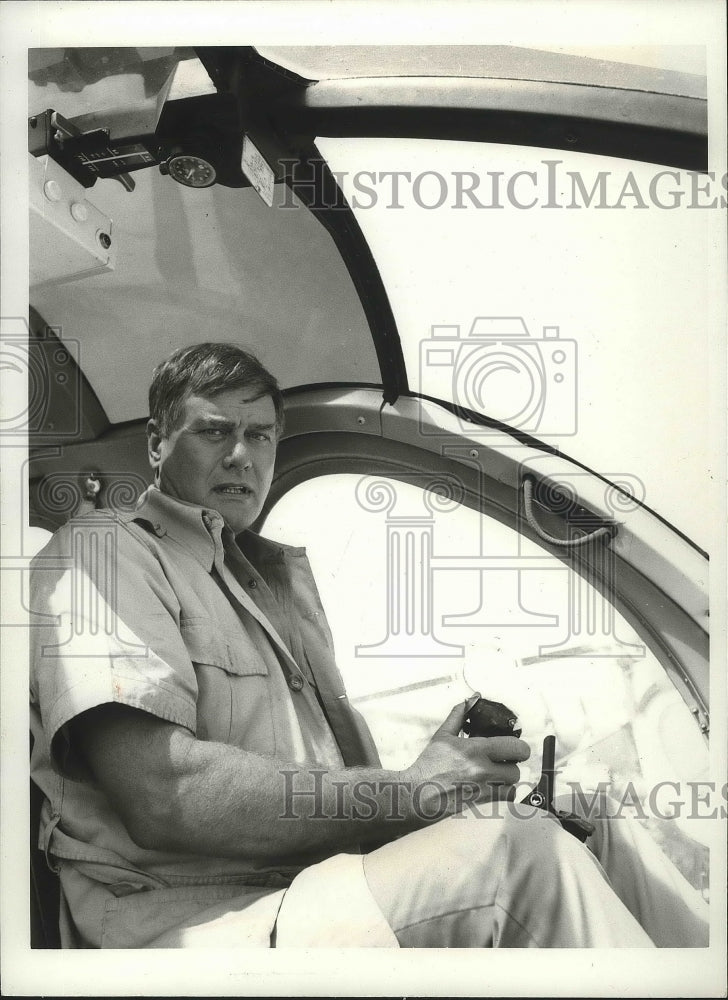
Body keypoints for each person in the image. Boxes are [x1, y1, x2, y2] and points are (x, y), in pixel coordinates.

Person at [29, 343, 709, 949]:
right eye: (215, 432)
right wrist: (412, 791)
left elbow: (326, 803)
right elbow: (163, 796)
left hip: (309, 886)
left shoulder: (261, 585)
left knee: (587, 822)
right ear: (155, 443)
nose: (243, 454)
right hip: (192, 924)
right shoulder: (105, 554)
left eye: (261, 436)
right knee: (519, 854)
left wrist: (448, 790)